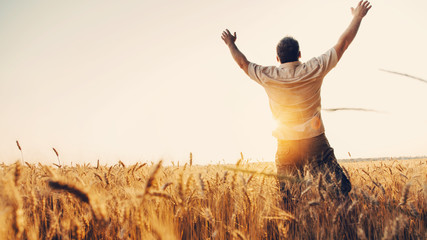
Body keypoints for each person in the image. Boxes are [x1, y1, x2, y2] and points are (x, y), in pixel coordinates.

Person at [221, 1, 372, 204]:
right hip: (315, 141)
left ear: (277, 58)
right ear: (299, 54)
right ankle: (346, 227)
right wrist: (357, 17)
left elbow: (242, 63)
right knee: (338, 191)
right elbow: (343, 44)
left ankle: (293, 231)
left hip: (285, 143)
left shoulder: (267, 75)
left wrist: (231, 43)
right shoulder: (314, 67)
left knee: (289, 198)